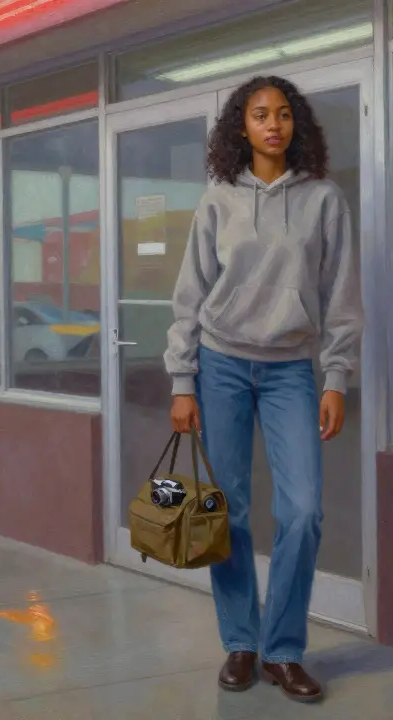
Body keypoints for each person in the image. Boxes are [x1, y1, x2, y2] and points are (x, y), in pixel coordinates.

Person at [163, 75, 362, 703]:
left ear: (295, 123)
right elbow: (190, 293)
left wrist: (337, 376)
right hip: (220, 364)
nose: (272, 124)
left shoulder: (324, 199)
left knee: (302, 511)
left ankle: (283, 649)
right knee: (229, 511)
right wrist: (182, 380)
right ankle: (242, 643)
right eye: (258, 115)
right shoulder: (218, 198)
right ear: (240, 128)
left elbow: (342, 295)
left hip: (289, 371)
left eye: (281, 114)